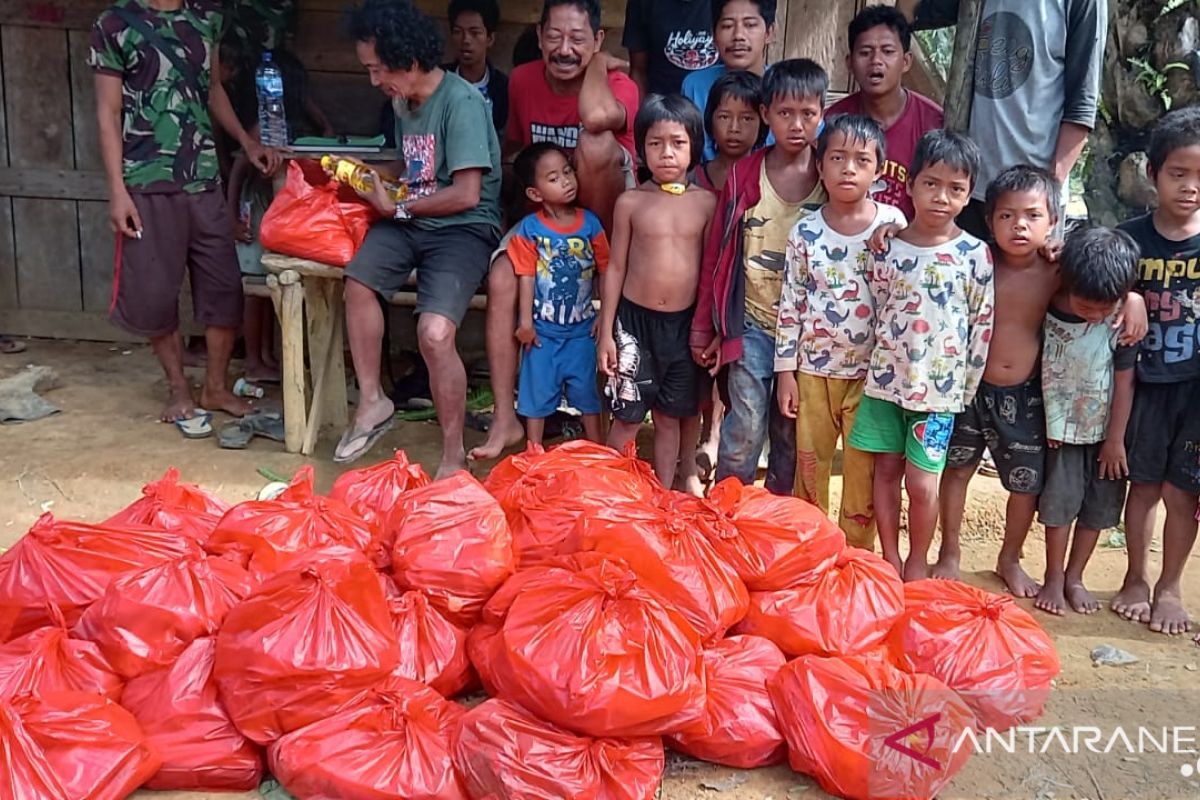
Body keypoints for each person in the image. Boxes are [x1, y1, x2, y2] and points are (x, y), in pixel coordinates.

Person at [90, 0, 281, 425]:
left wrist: (246, 144)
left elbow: (213, 90)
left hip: (204, 179)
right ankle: (179, 390)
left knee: (223, 287)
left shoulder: (205, 19)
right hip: (146, 182)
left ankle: (214, 388)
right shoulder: (114, 24)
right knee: (156, 293)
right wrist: (117, 191)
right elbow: (108, 111)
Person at [469, 0, 640, 462]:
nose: (564, 50)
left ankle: (598, 424)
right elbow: (515, 151)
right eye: (555, 37)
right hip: (545, 220)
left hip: (605, 223)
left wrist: (598, 67)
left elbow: (599, 120)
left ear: (599, 41)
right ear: (540, 35)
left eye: (579, 39)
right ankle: (507, 417)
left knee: (595, 141)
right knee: (503, 275)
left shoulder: (618, 85)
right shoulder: (523, 79)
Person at [337, 0, 501, 475]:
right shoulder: (401, 98)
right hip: (411, 217)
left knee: (434, 333)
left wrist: (398, 205)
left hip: (463, 227)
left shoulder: (462, 102)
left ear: (408, 61)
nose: (374, 81)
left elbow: (467, 193)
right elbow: (415, 168)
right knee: (359, 282)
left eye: (378, 69)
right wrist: (367, 178)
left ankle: (453, 456)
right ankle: (373, 400)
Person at [847, 129, 993, 581]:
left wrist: (964, 391)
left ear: (969, 196)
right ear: (910, 184)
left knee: (922, 482)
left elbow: (980, 327)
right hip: (884, 384)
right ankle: (890, 556)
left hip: (938, 396)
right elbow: (873, 308)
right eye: (931, 183)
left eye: (955, 188)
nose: (941, 197)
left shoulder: (974, 255)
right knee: (885, 472)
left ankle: (917, 560)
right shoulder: (885, 246)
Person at [691, 58, 828, 495]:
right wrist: (707, 326)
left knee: (789, 427)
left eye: (808, 114)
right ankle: (730, 506)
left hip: (810, 334)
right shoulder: (744, 175)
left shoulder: (831, 176)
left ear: (823, 115)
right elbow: (717, 255)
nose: (796, 124)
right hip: (751, 323)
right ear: (766, 114)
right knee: (746, 421)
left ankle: (776, 513)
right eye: (785, 113)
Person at [775, 114, 906, 550]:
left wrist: (899, 234)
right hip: (813, 372)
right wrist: (785, 373)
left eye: (861, 159)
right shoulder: (806, 232)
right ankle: (811, 546)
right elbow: (791, 303)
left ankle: (855, 552)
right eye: (837, 157)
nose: (848, 168)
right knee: (809, 464)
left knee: (861, 468)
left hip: (872, 379)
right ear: (820, 165)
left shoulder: (894, 226)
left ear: (879, 169)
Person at [938, 166, 1058, 589]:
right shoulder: (975, 260)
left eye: (1032, 216)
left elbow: (1101, 287)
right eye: (1006, 216)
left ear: (1053, 223)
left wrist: (1132, 299)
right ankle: (949, 552)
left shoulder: (1058, 272)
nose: (1019, 225)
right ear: (989, 221)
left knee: (1025, 483)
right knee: (955, 471)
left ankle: (1010, 558)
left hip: (1026, 395)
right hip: (969, 388)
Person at [901, 0, 1106, 238]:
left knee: (1028, 275)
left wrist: (1048, 191)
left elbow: (1081, 105)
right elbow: (908, 14)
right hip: (970, 191)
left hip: (1032, 202)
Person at [600, 95, 715, 494]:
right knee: (627, 416)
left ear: (694, 146)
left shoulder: (706, 204)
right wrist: (605, 334)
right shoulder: (631, 202)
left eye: (678, 142)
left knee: (670, 417)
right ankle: (610, 494)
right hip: (634, 325)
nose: (666, 153)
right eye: (655, 143)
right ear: (641, 148)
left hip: (685, 327)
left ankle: (663, 499)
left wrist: (711, 328)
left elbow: (711, 271)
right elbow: (615, 267)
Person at [1115, 107, 1200, 636]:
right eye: (1179, 173)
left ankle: (1170, 585)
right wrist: (1128, 292)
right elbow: (1090, 274)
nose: (1191, 187)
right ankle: (1135, 578)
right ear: (1153, 173)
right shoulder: (1129, 239)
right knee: (1142, 487)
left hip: (1196, 390)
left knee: (1183, 492)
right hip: (1144, 385)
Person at [1035, 226, 1138, 616]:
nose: (1096, 316)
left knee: (1097, 510)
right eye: (1087, 306)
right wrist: (1051, 425)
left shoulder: (1120, 322)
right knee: (1059, 508)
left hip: (1105, 438)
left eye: (1104, 306)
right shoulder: (1048, 308)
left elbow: (1125, 384)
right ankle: (1053, 576)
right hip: (1061, 434)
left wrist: (1115, 440)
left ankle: (1076, 575)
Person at [509, 142, 608, 446]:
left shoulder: (590, 224)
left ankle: (597, 451)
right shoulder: (529, 230)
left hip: (581, 332)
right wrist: (526, 323)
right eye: (553, 178)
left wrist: (604, 314)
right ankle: (533, 453)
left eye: (567, 172)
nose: (566, 181)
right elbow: (525, 275)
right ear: (535, 194)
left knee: (588, 396)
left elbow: (606, 269)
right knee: (536, 395)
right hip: (542, 333)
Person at [825, 5, 943, 220]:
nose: (876, 61)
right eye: (865, 52)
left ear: (906, 61)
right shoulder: (832, 121)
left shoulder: (934, 123)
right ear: (849, 63)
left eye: (888, 52)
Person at [682, 0, 774, 161]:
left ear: (769, 33)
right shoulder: (694, 87)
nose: (738, 36)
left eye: (750, 25)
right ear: (714, 35)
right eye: (727, 26)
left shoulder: (785, 90)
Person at [624, 0, 718, 97]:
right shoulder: (643, 3)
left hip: (719, 104)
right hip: (663, 105)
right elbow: (638, 71)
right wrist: (643, 110)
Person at [695, 69, 763, 193]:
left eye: (746, 118)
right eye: (724, 117)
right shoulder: (691, 180)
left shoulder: (770, 181)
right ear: (710, 119)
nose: (734, 128)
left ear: (763, 121)